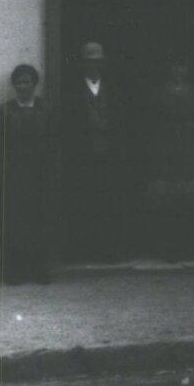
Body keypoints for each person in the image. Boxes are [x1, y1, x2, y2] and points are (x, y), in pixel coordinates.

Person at [0, 63, 55, 285]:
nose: (24, 86)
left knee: (39, 221)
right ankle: (13, 271)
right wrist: (6, 164)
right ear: (14, 85)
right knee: (12, 223)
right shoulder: (4, 111)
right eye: (19, 82)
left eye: (28, 82)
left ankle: (39, 269)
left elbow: (55, 141)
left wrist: (47, 165)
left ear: (35, 84)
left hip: (39, 175)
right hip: (13, 175)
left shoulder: (46, 110)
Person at [63, 40, 129, 262]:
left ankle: (109, 252)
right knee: (85, 202)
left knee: (109, 202)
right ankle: (86, 252)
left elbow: (121, 121)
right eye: (89, 62)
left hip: (109, 155)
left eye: (97, 62)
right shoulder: (72, 91)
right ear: (83, 65)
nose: (94, 66)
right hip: (84, 156)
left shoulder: (114, 89)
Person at [143, 63, 194, 261]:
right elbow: (152, 117)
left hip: (189, 146)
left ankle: (188, 248)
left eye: (182, 67)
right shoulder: (160, 92)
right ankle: (167, 249)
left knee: (189, 197)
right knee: (167, 198)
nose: (179, 71)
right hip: (166, 146)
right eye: (175, 67)